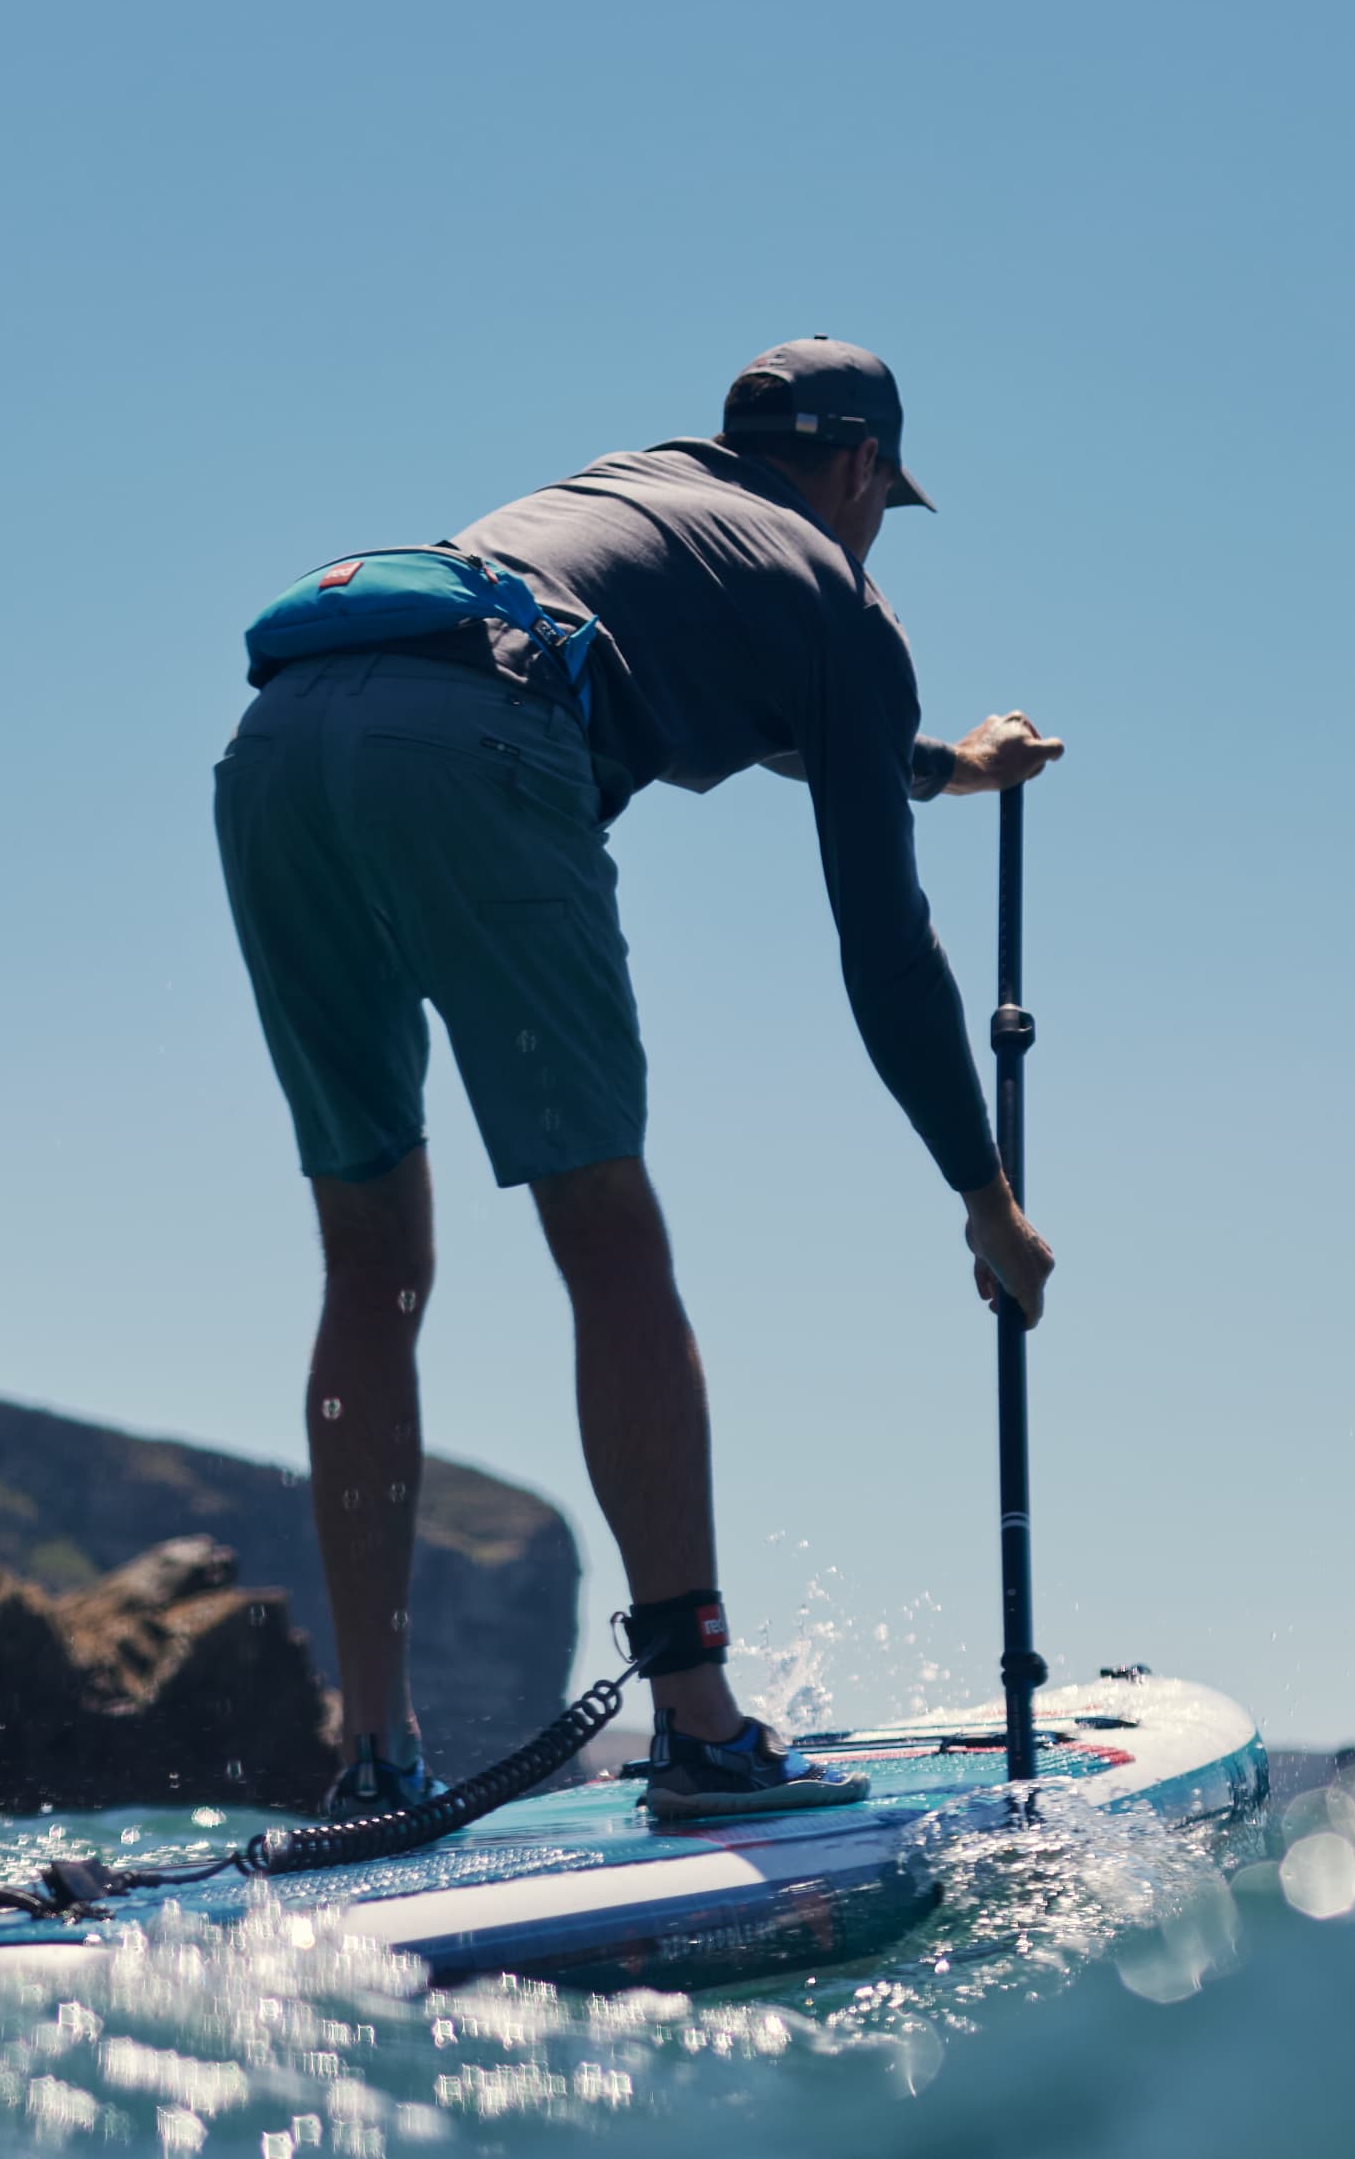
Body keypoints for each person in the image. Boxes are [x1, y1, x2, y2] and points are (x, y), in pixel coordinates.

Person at [213, 337, 1062, 1822]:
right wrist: (983, 1193)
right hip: (476, 735)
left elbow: (814, 738)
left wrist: (950, 768)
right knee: (605, 1228)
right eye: (883, 495)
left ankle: (371, 1757)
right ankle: (701, 1727)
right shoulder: (836, 591)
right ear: (863, 469)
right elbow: (887, 939)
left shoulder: (639, 502)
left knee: (371, 1261)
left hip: (284, 733)